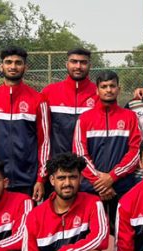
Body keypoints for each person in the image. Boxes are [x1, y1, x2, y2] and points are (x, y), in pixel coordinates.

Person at [0, 46, 51, 203]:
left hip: (27, 180)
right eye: (8, 62)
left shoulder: (38, 100)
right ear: (1, 66)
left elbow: (44, 143)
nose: (13, 66)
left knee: (26, 226)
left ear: (25, 67)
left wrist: (41, 178)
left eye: (18, 63)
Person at [73, 70, 141, 234]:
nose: (108, 90)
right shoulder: (85, 118)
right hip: (92, 188)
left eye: (112, 86)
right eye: (104, 86)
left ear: (118, 89)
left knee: (125, 235)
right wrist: (100, 182)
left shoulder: (130, 117)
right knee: (90, 237)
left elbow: (136, 151)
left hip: (122, 187)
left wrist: (112, 177)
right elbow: (80, 154)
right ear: (97, 90)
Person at [42, 47, 99, 197]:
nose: (78, 66)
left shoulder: (99, 93)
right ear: (66, 64)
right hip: (58, 172)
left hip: (88, 174)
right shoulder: (49, 92)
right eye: (74, 62)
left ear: (90, 65)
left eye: (83, 62)